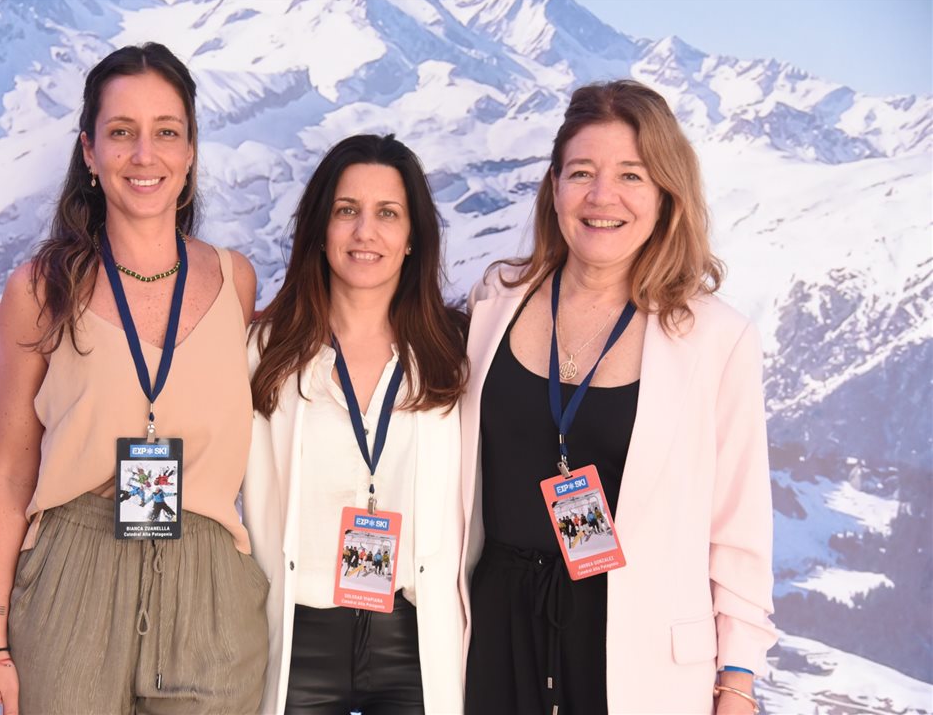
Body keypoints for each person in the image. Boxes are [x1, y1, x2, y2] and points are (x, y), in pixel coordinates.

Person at [0, 43, 268, 715]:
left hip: (210, 585)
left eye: (166, 132)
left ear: (190, 153)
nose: (144, 155)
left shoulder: (235, 282)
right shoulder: (41, 290)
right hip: (73, 576)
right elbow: (12, 472)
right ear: (89, 151)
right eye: (121, 133)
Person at [459, 81, 777, 714]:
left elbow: (738, 527)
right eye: (582, 172)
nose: (602, 197)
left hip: (634, 641)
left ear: (666, 193)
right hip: (494, 630)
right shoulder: (496, 299)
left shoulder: (717, 338)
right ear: (554, 189)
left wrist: (736, 681)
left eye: (631, 175)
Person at [243, 134, 469, 714]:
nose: (365, 232)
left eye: (387, 214)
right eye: (347, 211)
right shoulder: (263, 353)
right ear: (320, 229)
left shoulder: (457, 352)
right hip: (300, 640)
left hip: (412, 642)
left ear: (413, 235)